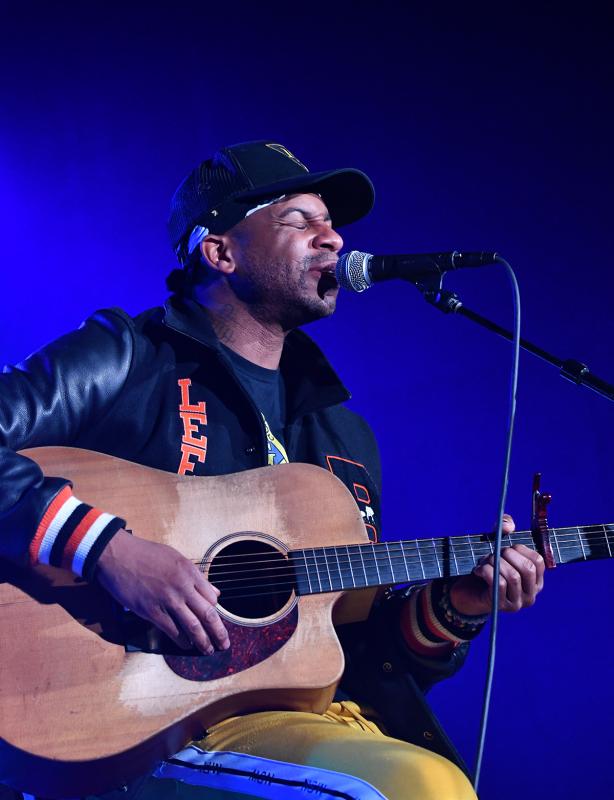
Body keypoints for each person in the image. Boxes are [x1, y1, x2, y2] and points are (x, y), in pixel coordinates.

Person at [0, 141, 545, 800]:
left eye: (331, 223)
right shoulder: (130, 357)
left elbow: (356, 648)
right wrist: (108, 550)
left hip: (310, 727)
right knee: (419, 787)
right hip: (148, 726)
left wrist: (457, 608)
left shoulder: (342, 437)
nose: (333, 238)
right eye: (299, 219)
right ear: (220, 251)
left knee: (428, 782)